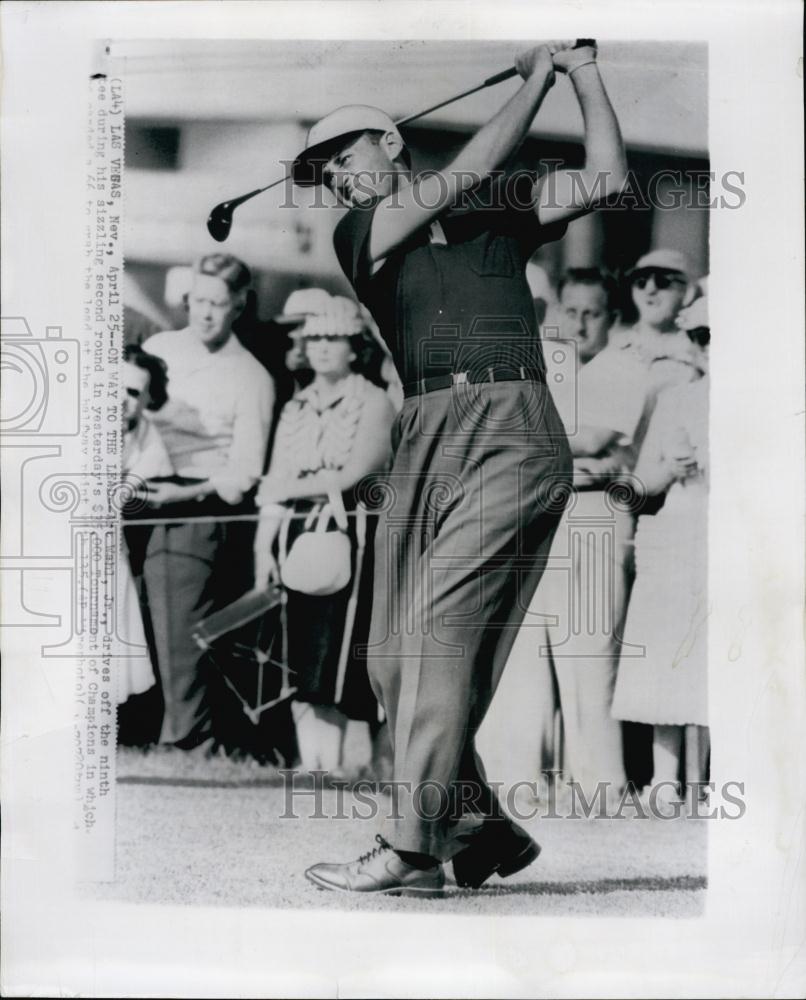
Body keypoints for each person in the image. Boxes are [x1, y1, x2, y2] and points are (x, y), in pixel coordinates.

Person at [294, 40, 626, 896]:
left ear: (391, 144)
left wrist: (581, 70)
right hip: (427, 428)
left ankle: (408, 847)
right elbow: (479, 157)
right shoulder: (359, 231)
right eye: (322, 170)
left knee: (438, 640)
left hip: (512, 422)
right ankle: (479, 830)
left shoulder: (497, 211)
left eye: (345, 157)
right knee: (392, 661)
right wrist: (537, 78)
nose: (337, 178)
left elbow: (608, 179)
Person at [253, 294, 396, 777]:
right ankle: (313, 763)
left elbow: (354, 473)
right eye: (314, 339)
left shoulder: (374, 401)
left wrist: (287, 486)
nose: (322, 348)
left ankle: (351, 764)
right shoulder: (295, 405)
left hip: (353, 534)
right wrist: (263, 546)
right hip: (295, 534)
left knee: (340, 650)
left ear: (355, 347)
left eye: (333, 338)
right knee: (300, 650)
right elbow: (274, 482)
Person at [140, 253, 275, 751]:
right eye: (198, 301)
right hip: (140, 495)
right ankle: (145, 730)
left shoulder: (251, 377)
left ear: (239, 305)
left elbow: (244, 471)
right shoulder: (160, 347)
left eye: (218, 303)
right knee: (139, 624)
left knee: (181, 634)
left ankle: (190, 741)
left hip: (197, 509)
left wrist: (184, 492)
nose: (206, 313)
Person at [611, 296, 710, 813]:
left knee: (719, 655)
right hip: (679, 527)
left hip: (729, 531)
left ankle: (712, 782)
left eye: (717, 336)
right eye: (702, 336)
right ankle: (665, 781)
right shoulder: (677, 398)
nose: (709, 348)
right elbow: (647, 476)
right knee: (667, 652)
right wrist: (645, 477)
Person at [118, 346, 173, 715]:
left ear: (149, 399)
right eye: (114, 386)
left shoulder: (149, 439)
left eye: (134, 393)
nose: (121, 400)